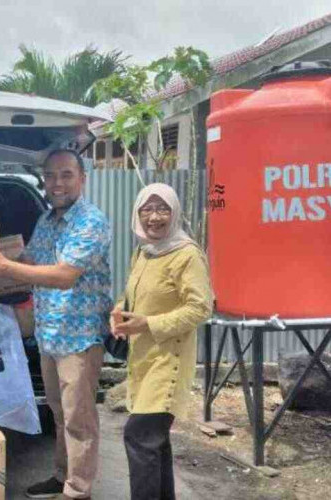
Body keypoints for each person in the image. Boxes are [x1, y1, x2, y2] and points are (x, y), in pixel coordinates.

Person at [0, 149, 112, 500]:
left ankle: (78, 490)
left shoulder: (91, 221)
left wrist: (5, 267)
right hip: (48, 334)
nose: (57, 183)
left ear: (82, 179)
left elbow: (64, 276)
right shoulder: (46, 220)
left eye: (66, 175)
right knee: (60, 414)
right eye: (50, 176)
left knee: (79, 419)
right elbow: (30, 261)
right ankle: (62, 476)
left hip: (79, 338)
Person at [110, 183, 213, 500]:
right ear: (137, 213)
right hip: (143, 360)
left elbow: (201, 307)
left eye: (162, 209)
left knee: (139, 436)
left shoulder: (187, 255)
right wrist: (119, 311)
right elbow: (132, 294)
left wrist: (148, 323)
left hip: (169, 363)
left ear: (174, 212)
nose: (154, 217)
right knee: (154, 443)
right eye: (147, 209)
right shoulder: (143, 251)